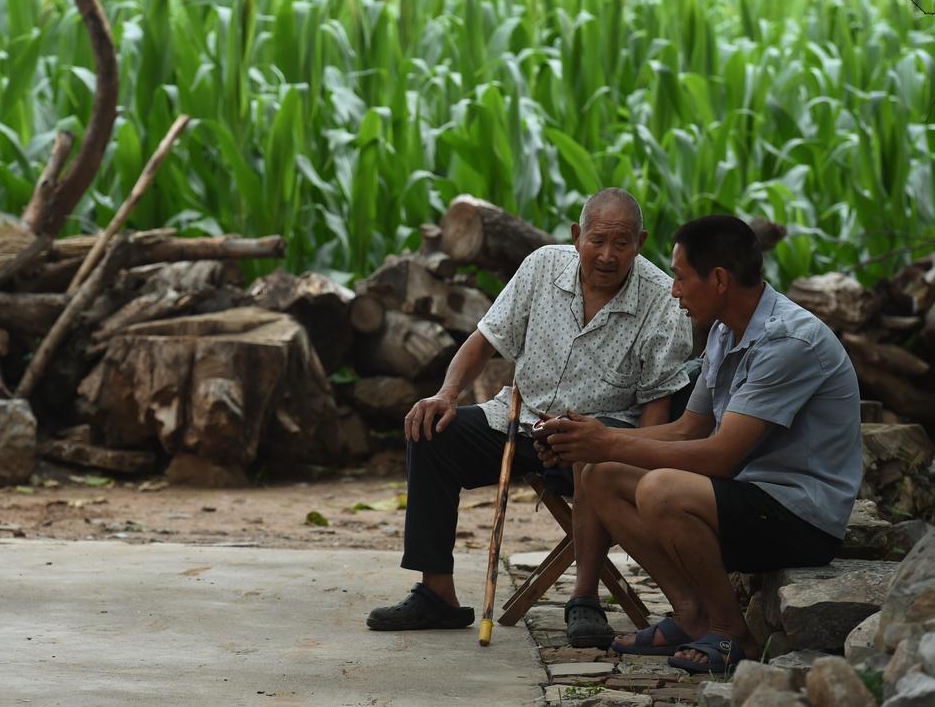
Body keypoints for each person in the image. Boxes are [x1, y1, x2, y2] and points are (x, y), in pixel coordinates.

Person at [535, 215, 862, 674]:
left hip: (801, 516)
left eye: (682, 277)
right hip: (751, 498)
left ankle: (732, 632)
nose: (674, 291)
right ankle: (692, 615)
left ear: (721, 280)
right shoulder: (728, 331)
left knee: (661, 490)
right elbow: (686, 429)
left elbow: (721, 456)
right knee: (600, 476)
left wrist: (606, 439)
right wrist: (586, 442)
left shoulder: (788, 341)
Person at [365, 188, 692, 634]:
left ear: (641, 241)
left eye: (622, 243)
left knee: (593, 460)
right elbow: (485, 339)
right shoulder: (542, 266)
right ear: (578, 236)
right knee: (432, 431)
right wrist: (446, 393)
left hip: (595, 438)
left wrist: (636, 457)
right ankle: (436, 593)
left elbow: (658, 402)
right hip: (517, 419)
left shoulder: (661, 300)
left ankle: (585, 599)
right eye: (597, 240)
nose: (608, 255)